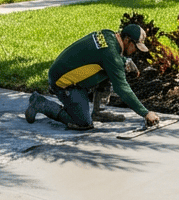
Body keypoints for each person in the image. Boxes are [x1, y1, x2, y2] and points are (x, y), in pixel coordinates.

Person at [25, 24, 160, 131]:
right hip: (62, 82)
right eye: (135, 47)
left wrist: (124, 61)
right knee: (83, 123)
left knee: (111, 70)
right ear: (127, 40)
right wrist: (145, 113)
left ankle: (98, 112)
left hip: (64, 71)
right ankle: (40, 103)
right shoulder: (111, 56)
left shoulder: (108, 35)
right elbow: (122, 88)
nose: (136, 51)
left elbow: (102, 56)